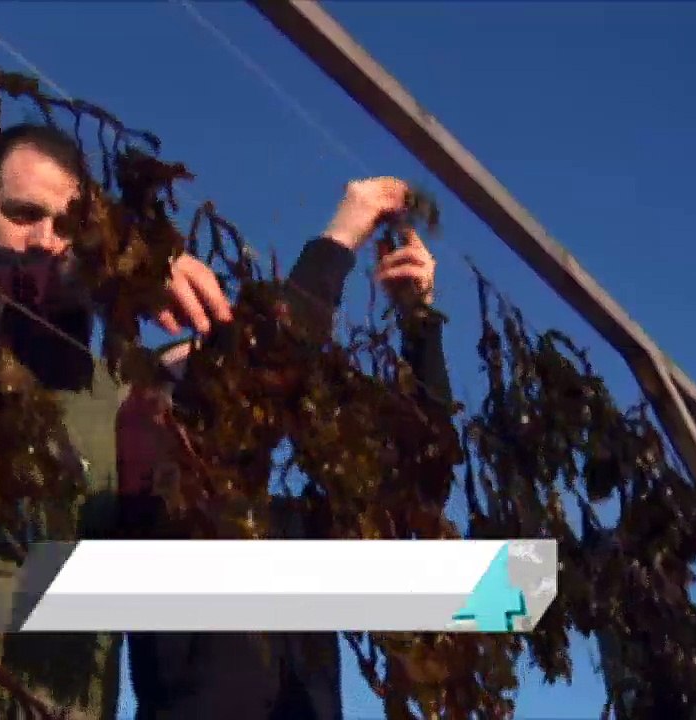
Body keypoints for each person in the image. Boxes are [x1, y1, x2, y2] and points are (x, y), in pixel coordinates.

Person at [0, 119, 449, 719]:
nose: (45, 241)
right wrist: (100, 272)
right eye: (22, 212)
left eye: (67, 228)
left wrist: (349, 242)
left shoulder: (117, 407)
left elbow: (257, 379)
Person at [117, 177, 453, 720]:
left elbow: (423, 476)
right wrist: (345, 229)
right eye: (195, 373)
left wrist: (420, 324)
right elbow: (264, 367)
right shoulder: (150, 500)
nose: (217, 376)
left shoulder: (296, 534)